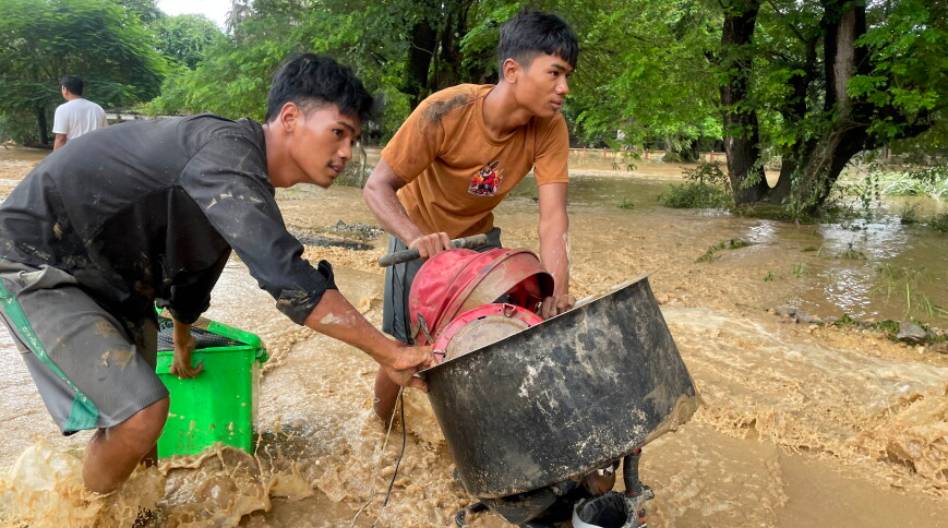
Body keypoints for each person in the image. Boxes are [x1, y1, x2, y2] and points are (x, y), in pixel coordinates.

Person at [0, 54, 433, 494]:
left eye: (354, 139)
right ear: (289, 117)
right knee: (141, 414)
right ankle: (84, 523)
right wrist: (390, 352)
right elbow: (287, 277)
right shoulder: (225, 153)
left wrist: (184, 340)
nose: (346, 152)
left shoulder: (240, 178)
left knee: (142, 438)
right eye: (338, 132)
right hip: (35, 258)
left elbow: (193, 273)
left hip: (115, 280)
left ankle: (139, 519)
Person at [363, 9, 579, 421]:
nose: (564, 88)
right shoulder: (446, 110)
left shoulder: (550, 128)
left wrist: (557, 290)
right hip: (420, 243)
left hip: (479, 245)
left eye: (567, 75)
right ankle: (380, 428)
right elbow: (377, 186)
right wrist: (414, 236)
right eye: (554, 73)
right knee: (405, 350)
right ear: (512, 70)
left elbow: (553, 219)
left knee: (499, 339)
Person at [52, 76, 108, 150]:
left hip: (74, 155)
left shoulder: (62, 109)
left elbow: (60, 139)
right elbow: (105, 134)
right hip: (95, 154)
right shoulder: (97, 108)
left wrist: (55, 160)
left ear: (65, 90)